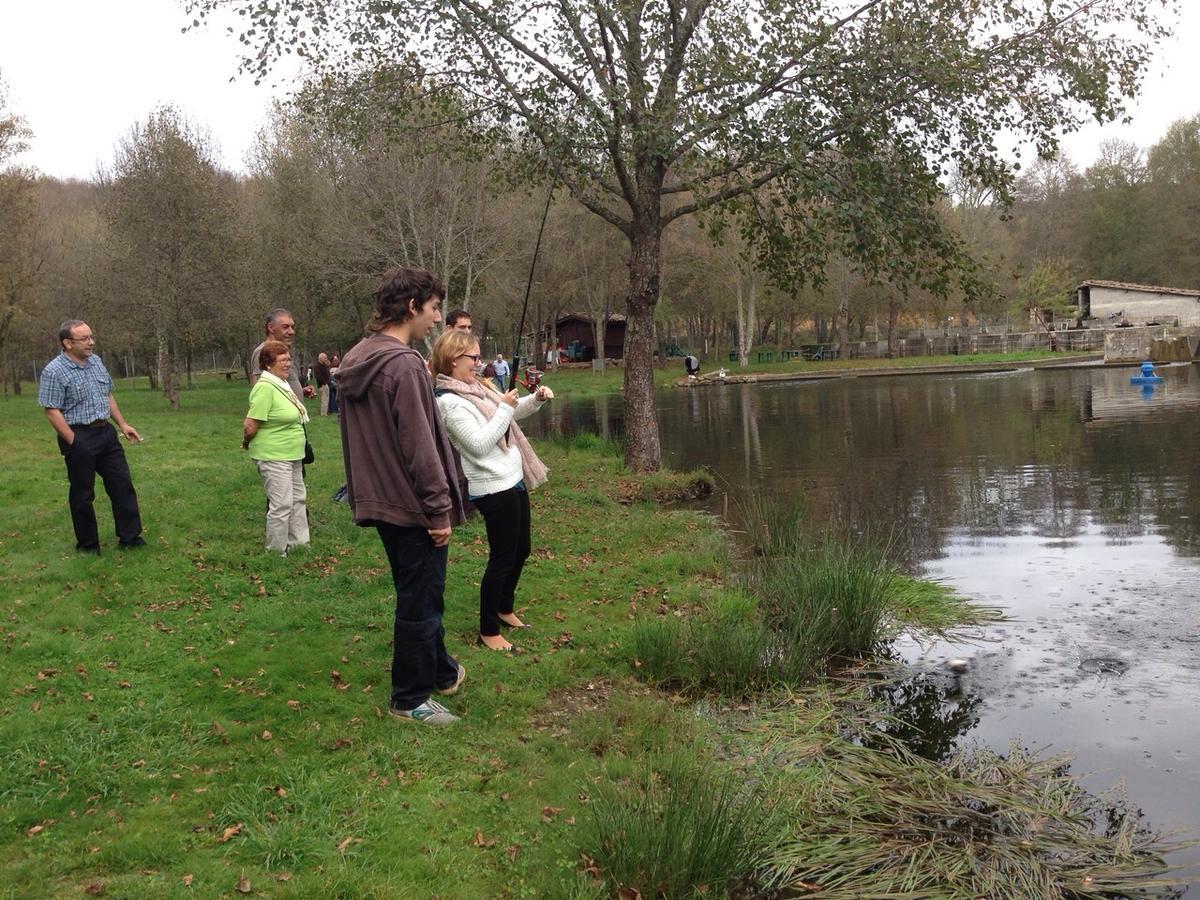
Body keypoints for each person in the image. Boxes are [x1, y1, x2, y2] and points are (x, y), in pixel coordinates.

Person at [336, 267, 468, 726]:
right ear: (412, 306)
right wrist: (438, 510)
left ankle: (443, 672)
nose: (437, 320)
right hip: (412, 506)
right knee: (420, 600)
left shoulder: (359, 356)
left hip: (381, 501)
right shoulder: (404, 365)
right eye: (433, 309)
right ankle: (409, 699)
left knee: (418, 591)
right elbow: (420, 446)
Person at [432, 330, 550, 652]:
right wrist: (506, 409)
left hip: (513, 478)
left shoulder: (478, 388)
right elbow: (480, 444)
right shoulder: (449, 402)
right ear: (453, 359)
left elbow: (512, 410)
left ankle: (504, 608)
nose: (478, 363)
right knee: (501, 558)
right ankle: (487, 630)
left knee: (521, 549)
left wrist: (535, 400)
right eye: (473, 358)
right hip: (492, 488)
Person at [37, 319, 145, 554]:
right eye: (84, 339)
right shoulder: (54, 371)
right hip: (78, 435)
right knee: (83, 494)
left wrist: (123, 424)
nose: (91, 342)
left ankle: (130, 538)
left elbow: (107, 395)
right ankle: (88, 546)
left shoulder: (95, 362)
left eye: (91, 336)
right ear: (67, 343)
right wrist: (73, 440)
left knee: (122, 485)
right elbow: (51, 410)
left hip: (105, 433)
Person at [242, 341, 310, 556]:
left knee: (298, 499)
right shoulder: (265, 387)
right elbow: (250, 424)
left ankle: (299, 544)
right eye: (283, 360)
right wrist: (246, 441)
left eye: (289, 359)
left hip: (293, 453)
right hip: (273, 455)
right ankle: (275, 551)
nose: (288, 364)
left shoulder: (282, 384)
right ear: (268, 364)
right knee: (281, 504)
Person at [249, 308, 314, 399]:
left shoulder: (284, 353)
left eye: (292, 327)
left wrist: (300, 391)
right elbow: (260, 392)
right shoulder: (263, 352)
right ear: (271, 328)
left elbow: (279, 387)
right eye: (285, 327)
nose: (291, 332)